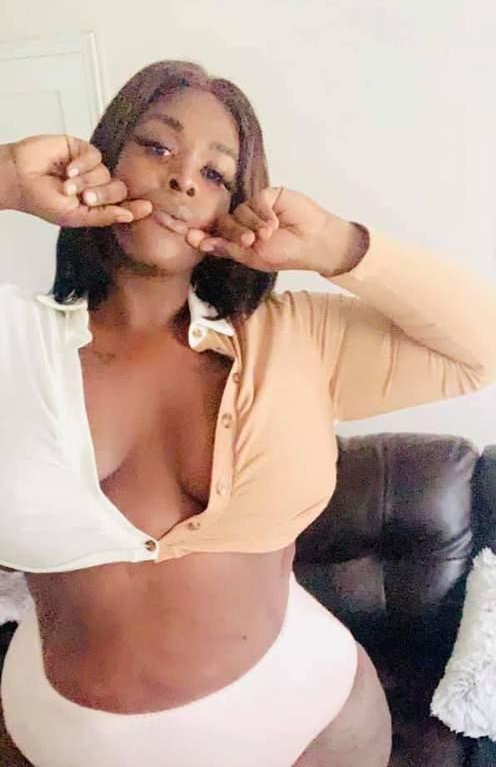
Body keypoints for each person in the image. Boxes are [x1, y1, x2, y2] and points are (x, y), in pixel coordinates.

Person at [0, 60, 495, 767]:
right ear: (106, 158)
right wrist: (8, 178)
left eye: (215, 174)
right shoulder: (13, 344)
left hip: (310, 726)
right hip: (57, 740)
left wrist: (337, 246)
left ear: (233, 208)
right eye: (157, 146)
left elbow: (483, 345)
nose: (182, 179)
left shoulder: (298, 337)